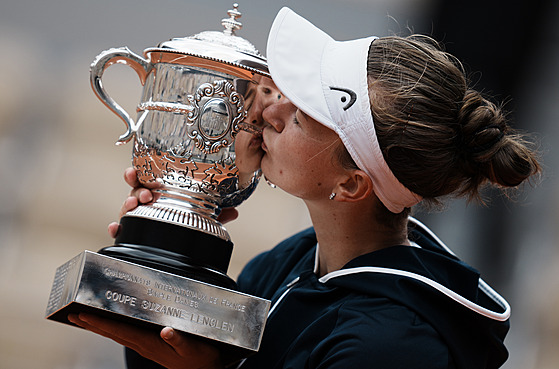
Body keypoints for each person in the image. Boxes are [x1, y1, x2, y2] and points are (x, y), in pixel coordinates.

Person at [68, 7, 541, 369]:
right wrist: (173, 245)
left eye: (300, 117)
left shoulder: (389, 348)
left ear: (351, 183)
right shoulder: (290, 260)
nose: (271, 109)